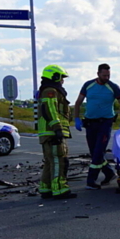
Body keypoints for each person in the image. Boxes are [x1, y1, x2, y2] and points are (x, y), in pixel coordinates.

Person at [72, 63, 120, 189]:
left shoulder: (113, 87)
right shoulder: (88, 85)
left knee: (98, 152)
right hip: (90, 123)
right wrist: (76, 118)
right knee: (94, 152)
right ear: (98, 74)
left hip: (105, 123)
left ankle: (91, 180)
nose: (106, 77)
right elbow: (78, 102)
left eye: (108, 75)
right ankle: (109, 173)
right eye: (104, 75)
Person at [37, 65, 76, 199]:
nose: (62, 81)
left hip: (48, 132)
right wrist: (57, 128)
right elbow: (50, 110)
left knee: (50, 161)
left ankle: (46, 188)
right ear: (54, 77)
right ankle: (59, 189)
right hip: (53, 132)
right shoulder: (50, 91)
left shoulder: (49, 90)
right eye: (61, 78)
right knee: (59, 160)